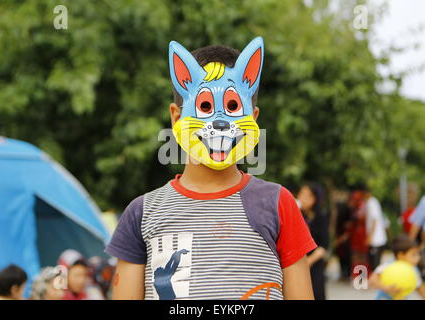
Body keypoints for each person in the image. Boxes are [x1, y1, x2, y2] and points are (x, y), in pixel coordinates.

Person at [106, 37, 317, 300]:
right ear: (176, 117)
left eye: (232, 107)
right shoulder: (142, 214)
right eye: (205, 106)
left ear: (252, 118)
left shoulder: (278, 204)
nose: (219, 122)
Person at [369, 234, 425, 300]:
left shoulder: (413, 270)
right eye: (413, 255)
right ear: (401, 255)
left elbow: (420, 287)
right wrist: (385, 288)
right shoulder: (388, 266)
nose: (418, 258)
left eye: (418, 254)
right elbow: (372, 280)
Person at [297, 183, 329, 300]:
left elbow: (324, 246)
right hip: (298, 263)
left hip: (314, 264)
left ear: (314, 199)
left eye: (307, 195)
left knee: (316, 293)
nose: (302, 198)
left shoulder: (321, 217)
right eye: (301, 194)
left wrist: (309, 262)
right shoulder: (298, 214)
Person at [363, 187, 387, 271]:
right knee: (373, 261)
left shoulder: (371, 202)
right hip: (377, 238)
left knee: (375, 263)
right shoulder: (372, 202)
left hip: (376, 239)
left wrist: (370, 237)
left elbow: (374, 220)